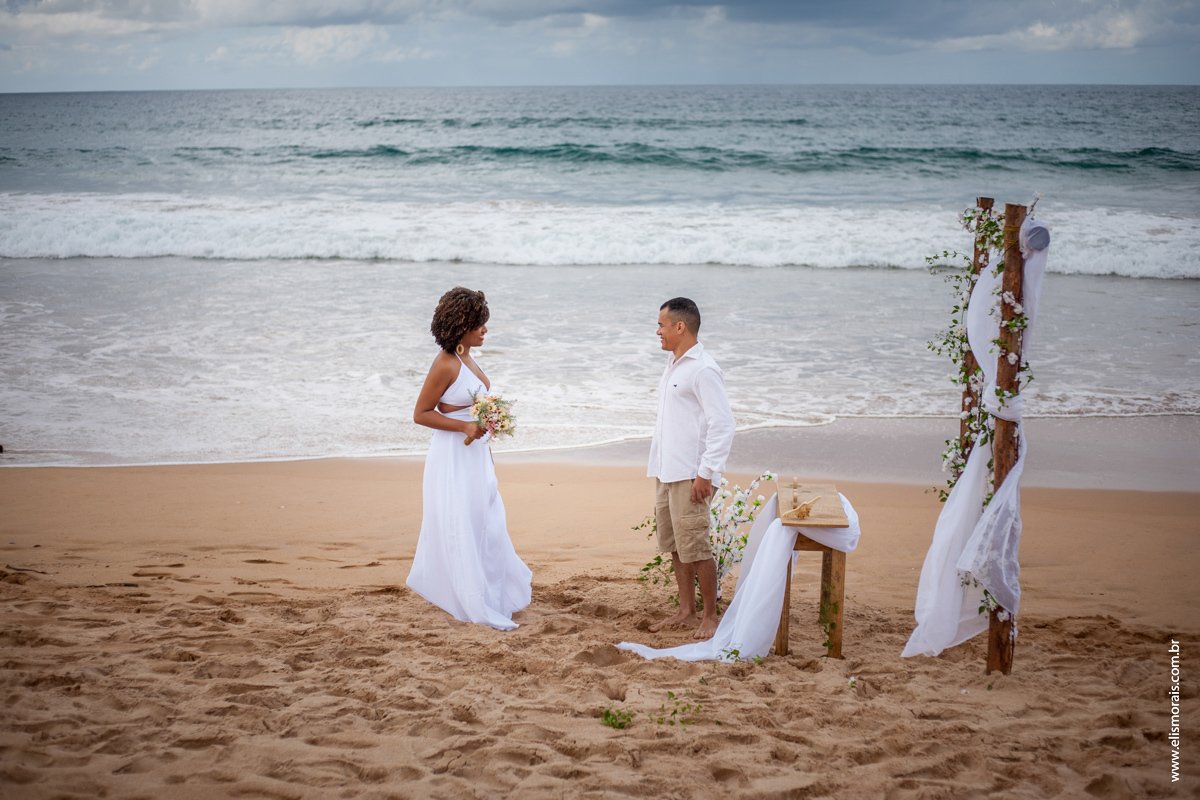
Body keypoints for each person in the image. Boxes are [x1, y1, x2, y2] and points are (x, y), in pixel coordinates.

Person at [406, 287, 532, 630]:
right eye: (479, 325)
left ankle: (488, 593)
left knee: (486, 521)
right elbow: (420, 413)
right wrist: (464, 425)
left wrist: (486, 440)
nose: (485, 331)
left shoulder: (466, 358)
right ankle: (469, 598)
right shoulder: (445, 363)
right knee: (461, 523)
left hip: (475, 457)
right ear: (462, 325)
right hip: (451, 458)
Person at [647, 297, 736, 640]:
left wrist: (706, 473)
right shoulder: (674, 363)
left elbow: (723, 424)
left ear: (680, 326)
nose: (658, 331)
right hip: (667, 470)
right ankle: (686, 611)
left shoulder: (703, 369)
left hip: (691, 474)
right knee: (676, 544)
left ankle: (710, 617)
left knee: (696, 547)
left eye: (661, 325)